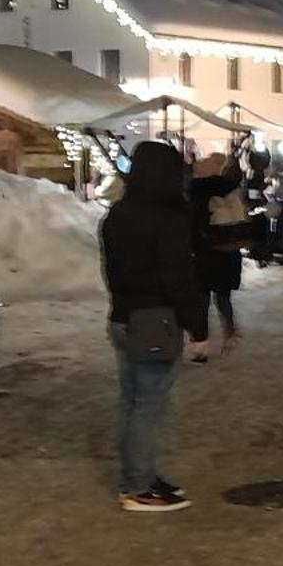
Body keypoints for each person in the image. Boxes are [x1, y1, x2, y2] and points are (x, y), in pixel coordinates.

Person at [99, 140, 208, 513]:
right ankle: (137, 486)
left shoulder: (118, 214)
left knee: (132, 403)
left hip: (123, 318)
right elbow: (179, 277)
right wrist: (198, 329)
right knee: (147, 407)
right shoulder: (167, 217)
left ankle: (138, 475)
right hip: (155, 322)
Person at [188, 152, 246, 356]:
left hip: (202, 251)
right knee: (223, 297)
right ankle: (230, 332)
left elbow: (190, 224)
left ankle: (200, 346)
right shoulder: (231, 189)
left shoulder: (194, 191)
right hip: (227, 251)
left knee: (201, 299)